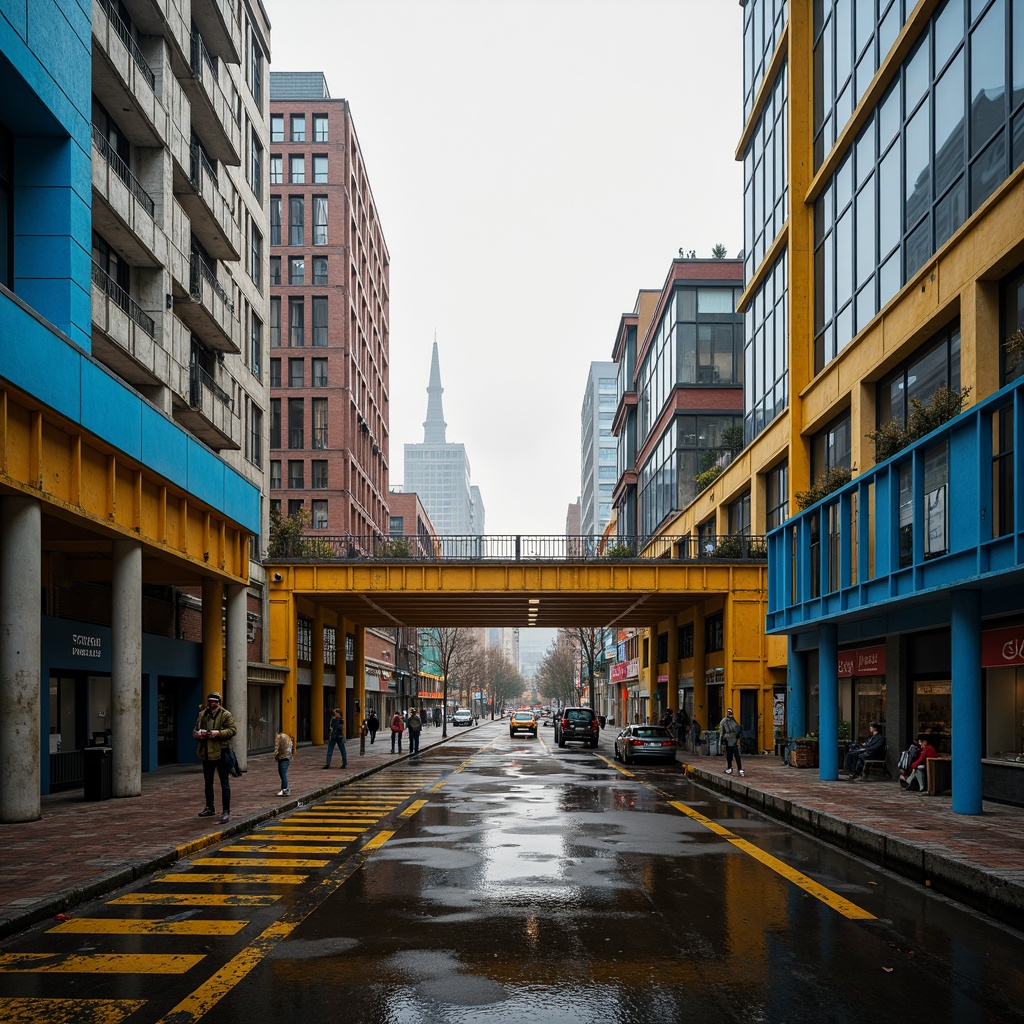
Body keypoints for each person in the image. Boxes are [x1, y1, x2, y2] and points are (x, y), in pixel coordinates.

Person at [193, 691, 236, 824]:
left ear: (219, 703)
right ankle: (209, 807)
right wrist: (198, 734)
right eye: (210, 701)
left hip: (221, 752)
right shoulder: (202, 714)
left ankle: (226, 811)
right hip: (206, 752)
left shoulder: (225, 714)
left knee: (224, 783)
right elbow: (195, 730)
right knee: (208, 782)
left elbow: (233, 730)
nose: (212, 704)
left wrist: (218, 733)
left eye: (215, 702)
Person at [719, 708, 744, 776]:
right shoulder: (723, 721)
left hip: (734, 738)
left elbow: (737, 728)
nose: (729, 714)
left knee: (736, 754)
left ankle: (739, 768)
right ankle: (730, 767)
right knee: (729, 754)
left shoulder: (733, 720)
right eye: (728, 712)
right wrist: (723, 739)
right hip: (728, 738)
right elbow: (722, 731)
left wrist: (738, 734)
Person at [274, 729, 294, 796]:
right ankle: (285, 788)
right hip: (286, 758)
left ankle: (285, 789)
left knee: (283, 774)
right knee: (283, 773)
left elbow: (278, 749)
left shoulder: (281, 739)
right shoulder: (288, 739)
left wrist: (276, 756)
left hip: (283, 758)